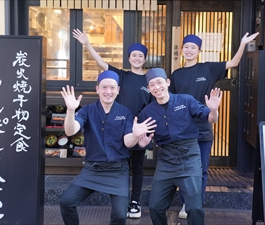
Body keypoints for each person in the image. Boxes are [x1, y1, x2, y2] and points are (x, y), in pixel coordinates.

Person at [169, 32, 259, 219]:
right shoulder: (176, 75)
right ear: (182, 50)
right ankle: (186, 202)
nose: (189, 50)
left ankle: (196, 204)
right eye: (186, 46)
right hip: (183, 129)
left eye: (193, 47)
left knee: (201, 169)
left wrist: (242, 44)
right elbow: (170, 102)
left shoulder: (208, 69)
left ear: (199, 51)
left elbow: (233, 63)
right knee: (185, 169)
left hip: (203, 127)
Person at [72, 28, 153, 218]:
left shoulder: (149, 80)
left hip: (139, 128)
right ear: (129, 58)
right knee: (122, 165)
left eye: (140, 56)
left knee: (138, 167)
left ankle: (135, 201)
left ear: (144, 59)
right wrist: (87, 44)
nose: (137, 58)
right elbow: (101, 63)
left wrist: (148, 130)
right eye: (134, 55)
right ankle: (120, 202)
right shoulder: (122, 76)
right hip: (118, 128)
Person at [59, 70, 156, 225]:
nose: (108, 91)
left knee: (119, 215)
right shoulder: (87, 110)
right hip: (93, 168)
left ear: (118, 90)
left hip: (117, 170)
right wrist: (70, 110)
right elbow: (71, 130)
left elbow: (128, 143)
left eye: (112, 88)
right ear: (97, 89)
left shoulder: (125, 113)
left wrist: (135, 135)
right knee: (66, 202)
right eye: (104, 87)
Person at [137, 67, 223, 225]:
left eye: (159, 82)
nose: (157, 87)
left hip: (189, 157)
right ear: (148, 89)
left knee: (194, 208)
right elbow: (145, 140)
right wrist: (143, 143)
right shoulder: (147, 112)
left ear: (168, 82)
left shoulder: (186, 100)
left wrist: (214, 109)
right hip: (166, 160)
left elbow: (211, 118)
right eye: (152, 85)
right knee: (155, 207)